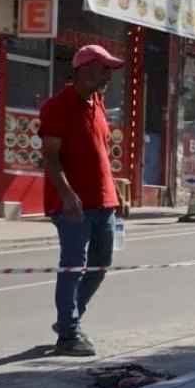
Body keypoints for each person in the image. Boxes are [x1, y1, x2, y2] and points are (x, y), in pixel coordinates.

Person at [40, 44, 127, 356]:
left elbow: (101, 155)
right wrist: (67, 195)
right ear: (84, 68)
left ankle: (69, 319)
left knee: (101, 265)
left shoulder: (98, 103)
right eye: (104, 68)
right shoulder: (58, 106)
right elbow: (50, 158)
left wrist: (117, 195)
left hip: (104, 202)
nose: (108, 75)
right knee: (73, 266)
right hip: (72, 205)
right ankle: (68, 334)